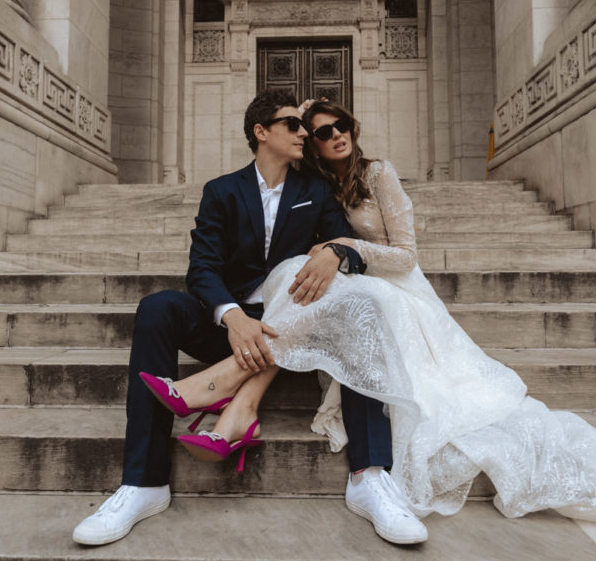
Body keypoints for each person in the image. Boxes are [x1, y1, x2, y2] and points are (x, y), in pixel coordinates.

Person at [159, 100, 596, 524]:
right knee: (307, 282)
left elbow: (405, 255)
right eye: (320, 132)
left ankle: (229, 384)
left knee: (340, 295)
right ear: (307, 144)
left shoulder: (377, 173)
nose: (336, 135)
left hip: (395, 285)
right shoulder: (315, 186)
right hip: (347, 284)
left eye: (341, 125)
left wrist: (343, 247)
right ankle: (240, 407)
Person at [72, 91, 429, 547]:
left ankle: (370, 477)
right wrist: (233, 317)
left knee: (361, 307)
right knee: (157, 308)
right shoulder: (221, 191)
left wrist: (336, 252)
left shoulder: (315, 190)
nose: (303, 134)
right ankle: (143, 483)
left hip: (296, 327)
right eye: (292, 125)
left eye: (305, 127)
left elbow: (351, 250)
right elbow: (202, 268)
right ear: (261, 132)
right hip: (233, 326)